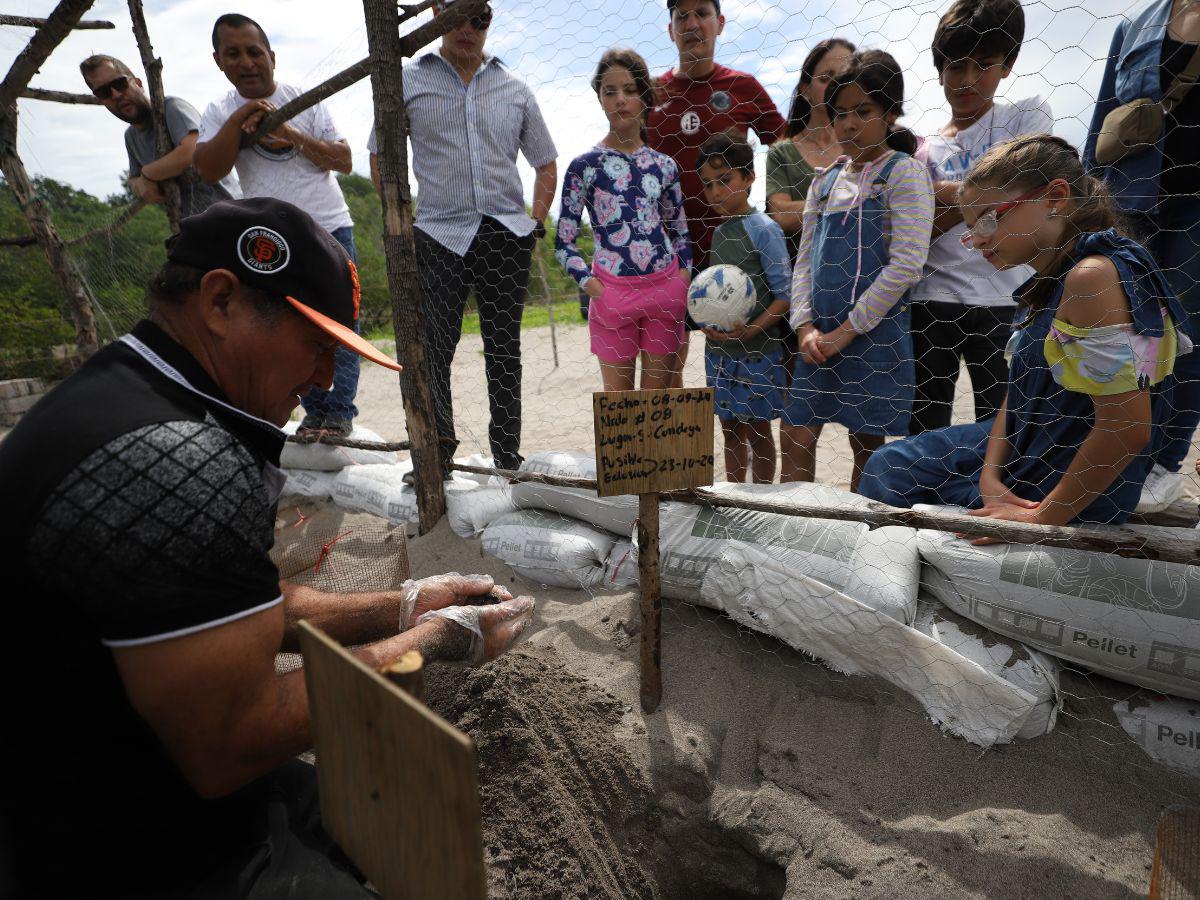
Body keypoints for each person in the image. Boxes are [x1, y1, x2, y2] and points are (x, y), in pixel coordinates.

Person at [0, 197, 535, 898]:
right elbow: (229, 742)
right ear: (221, 301)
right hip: (118, 846)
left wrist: (404, 605)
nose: (321, 379)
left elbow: (218, 604)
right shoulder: (175, 459)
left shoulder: (126, 398)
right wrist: (436, 642)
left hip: (105, 772)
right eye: (317, 347)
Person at [859, 135, 1192, 529]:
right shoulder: (1046, 278)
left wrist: (1043, 518)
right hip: (1030, 442)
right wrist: (988, 475)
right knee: (889, 466)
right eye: (969, 229)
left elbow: (1126, 430)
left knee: (891, 478)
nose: (978, 239)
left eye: (988, 218)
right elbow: (1017, 395)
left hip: (1058, 480)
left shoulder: (1093, 277)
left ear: (1055, 197)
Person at [368, 0, 557, 475]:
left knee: (503, 349)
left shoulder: (513, 86)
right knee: (435, 348)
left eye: (479, 19)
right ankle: (439, 452)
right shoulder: (409, 79)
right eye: (456, 15)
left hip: (503, 234)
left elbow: (545, 162)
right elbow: (379, 153)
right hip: (436, 233)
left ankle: (508, 456)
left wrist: (533, 222)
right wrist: (400, 215)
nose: (467, 29)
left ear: (490, 23)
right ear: (436, 15)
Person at [194, 13, 360, 440]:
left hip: (329, 228)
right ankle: (314, 414)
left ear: (272, 56)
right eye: (233, 54)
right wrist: (241, 120)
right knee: (289, 331)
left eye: (254, 52)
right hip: (272, 241)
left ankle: (339, 415)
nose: (246, 62)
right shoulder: (219, 111)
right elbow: (210, 169)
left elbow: (344, 159)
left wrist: (289, 133)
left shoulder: (306, 99)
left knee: (338, 327)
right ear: (219, 62)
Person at [780, 50, 934, 491]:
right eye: (840, 113)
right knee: (797, 433)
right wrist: (804, 325)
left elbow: (907, 263)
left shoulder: (903, 175)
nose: (848, 124)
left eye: (862, 111)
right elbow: (805, 258)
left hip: (874, 333)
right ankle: (795, 525)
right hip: (817, 338)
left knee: (868, 443)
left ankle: (858, 533)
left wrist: (848, 330)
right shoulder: (824, 181)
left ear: (889, 112)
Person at [908, 0, 1054, 436]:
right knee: (927, 417)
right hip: (933, 299)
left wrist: (943, 198)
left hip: (1006, 297)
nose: (968, 79)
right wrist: (992, 198)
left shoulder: (1026, 115)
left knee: (1001, 420)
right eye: (955, 66)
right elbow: (918, 226)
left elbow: (1034, 185)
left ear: (1007, 66)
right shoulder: (924, 147)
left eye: (984, 64)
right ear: (939, 72)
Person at [1085, 0, 1200, 513]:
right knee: (1134, 332)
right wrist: (1089, 203)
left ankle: (1163, 465)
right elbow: (1102, 121)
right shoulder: (1134, 29)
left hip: (1195, 211)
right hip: (1134, 199)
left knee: (1189, 334)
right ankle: (1123, 456)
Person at [646, 0, 786, 387]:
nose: (692, 23)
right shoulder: (653, 96)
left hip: (737, 256)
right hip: (669, 259)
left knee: (746, 373)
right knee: (667, 368)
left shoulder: (742, 87)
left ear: (720, 23)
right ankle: (675, 449)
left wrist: (777, 207)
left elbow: (787, 148)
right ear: (670, 29)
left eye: (701, 14)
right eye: (681, 16)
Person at [554, 48, 691, 392]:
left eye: (630, 90)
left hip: (665, 291)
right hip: (611, 293)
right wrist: (591, 285)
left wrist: (682, 277)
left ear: (645, 96)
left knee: (657, 408)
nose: (620, 100)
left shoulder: (664, 166)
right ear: (599, 98)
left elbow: (680, 231)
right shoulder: (584, 167)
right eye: (610, 91)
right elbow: (564, 241)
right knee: (621, 418)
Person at [697, 132, 790, 483]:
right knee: (730, 430)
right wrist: (708, 323)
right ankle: (736, 497)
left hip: (757, 351)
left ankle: (763, 502)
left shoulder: (765, 229)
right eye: (708, 184)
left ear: (749, 177)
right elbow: (716, 294)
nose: (716, 191)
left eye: (725, 180)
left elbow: (784, 295)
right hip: (720, 354)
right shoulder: (719, 232)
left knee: (759, 433)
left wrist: (752, 330)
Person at [79, 54, 235, 216]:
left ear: (138, 83)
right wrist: (141, 184)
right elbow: (133, 178)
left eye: (120, 84)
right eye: (104, 92)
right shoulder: (131, 137)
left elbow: (192, 150)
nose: (116, 95)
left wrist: (148, 174)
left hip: (229, 213)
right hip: (192, 227)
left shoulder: (172, 107)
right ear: (99, 100)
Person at [766, 38, 857, 263]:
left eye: (845, 78)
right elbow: (781, 215)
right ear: (805, 89)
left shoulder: (867, 142)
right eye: (826, 78)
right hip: (807, 279)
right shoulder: (782, 152)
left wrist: (813, 208)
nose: (836, 86)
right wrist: (852, 202)